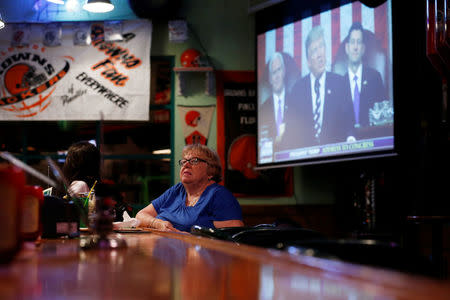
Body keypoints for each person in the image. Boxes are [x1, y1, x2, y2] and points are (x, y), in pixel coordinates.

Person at [136, 144, 244, 232]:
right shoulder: (177, 190)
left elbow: (234, 236)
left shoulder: (219, 195)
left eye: (194, 161)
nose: (186, 165)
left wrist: (187, 237)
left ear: (211, 171)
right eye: (184, 161)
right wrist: (158, 223)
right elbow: (140, 215)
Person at [285, 26, 354, 148]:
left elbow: (349, 121)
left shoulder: (340, 83)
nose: (320, 54)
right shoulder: (297, 90)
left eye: (322, 46)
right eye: (314, 50)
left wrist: (350, 138)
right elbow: (291, 130)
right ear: (308, 61)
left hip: (336, 155)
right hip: (306, 159)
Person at [344, 22, 386, 133]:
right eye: (352, 42)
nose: (355, 47)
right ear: (347, 48)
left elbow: (383, 118)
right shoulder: (339, 84)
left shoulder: (375, 78)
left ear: (363, 48)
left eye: (359, 42)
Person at [259, 52, 288, 153]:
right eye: (273, 72)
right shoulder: (263, 110)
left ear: (284, 71)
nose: (277, 76)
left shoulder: (295, 101)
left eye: (279, 70)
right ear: (270, 79)